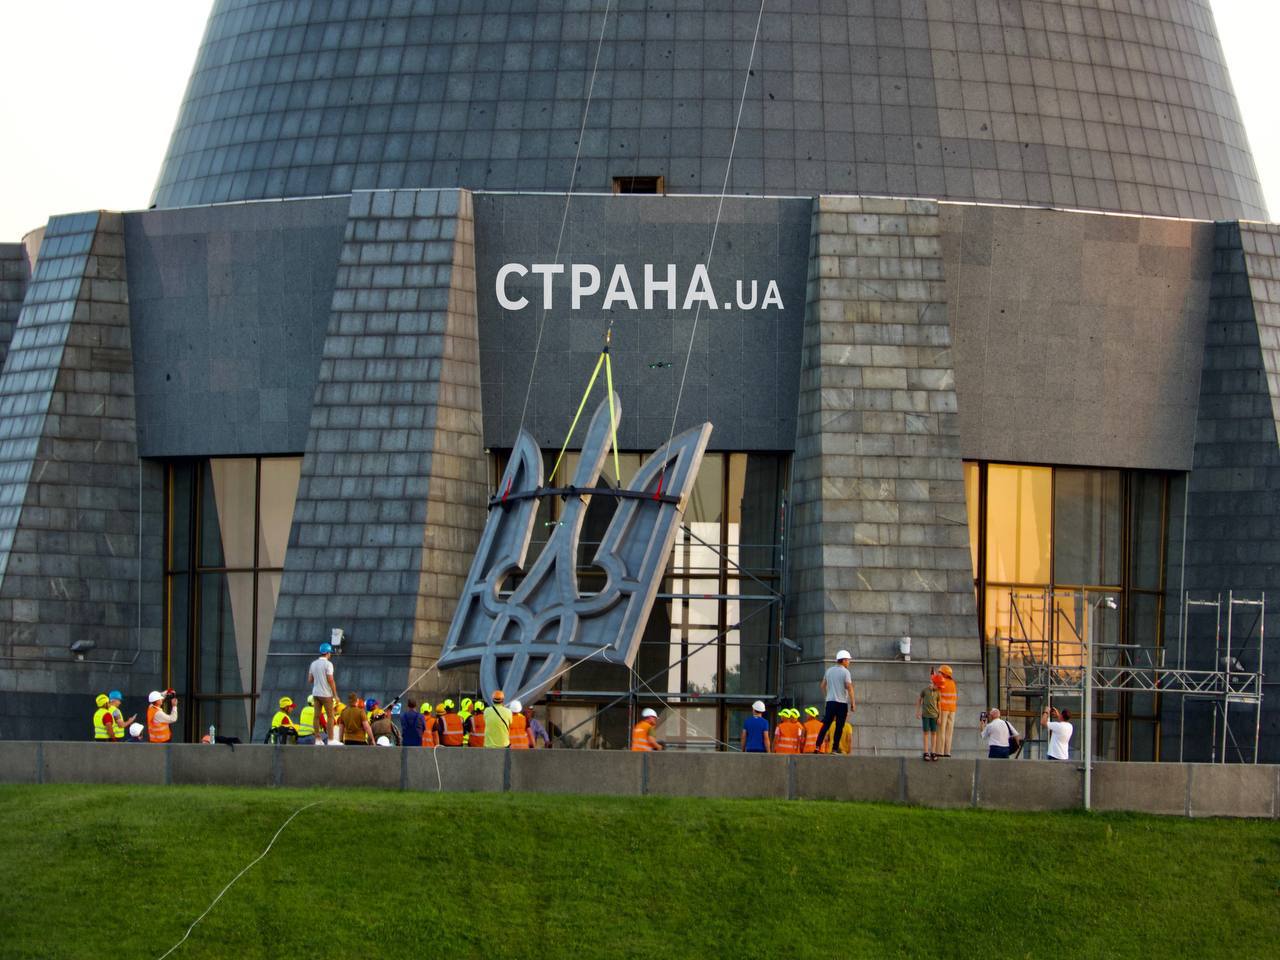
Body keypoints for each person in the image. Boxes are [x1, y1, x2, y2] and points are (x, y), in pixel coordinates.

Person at [814, 650, 856, 754]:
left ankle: (817, 746)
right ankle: (834, 749)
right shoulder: (845, 672)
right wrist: (853, 703)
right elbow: (850, 688)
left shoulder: (829, 671)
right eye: (848, 660)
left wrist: (827, 696)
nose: (849, 662)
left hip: (830, 702)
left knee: (826, 725)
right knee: (839, 726)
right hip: (841, 703)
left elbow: (822, 685)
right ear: (844, 660)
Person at [306, 642, 339, 745]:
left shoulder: (313, 664)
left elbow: (310, 680)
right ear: (328, 653)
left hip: (316, 693)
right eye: (330, 653)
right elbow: (330, 680)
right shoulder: (328, 664)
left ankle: (317, 739)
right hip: (326, 694)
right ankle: (331, 739)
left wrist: (318, 678)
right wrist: (335, 695)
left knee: (316, 716)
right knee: (330, 716)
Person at [916, 674, 941, 760]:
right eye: (935, 684)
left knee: (934, 733)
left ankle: (933, 752)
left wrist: (939, 717)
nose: (936, 686)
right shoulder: (924, 691)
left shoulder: (938, 692)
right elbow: (919, 700)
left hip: (934, 716)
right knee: (926, 733)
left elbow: (939, 705)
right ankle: (926, 752)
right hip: (925, 715)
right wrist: (918, 712)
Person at [935, 664, 958, 757]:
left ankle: (940, 751)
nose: (939, 673)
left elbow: (935, 690)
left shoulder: (942, 681)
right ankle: (947, 752)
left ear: (944, 673)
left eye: (940, 672)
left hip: (943, 709)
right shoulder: (953, 683)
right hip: (952, 710)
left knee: (941, 731)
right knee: (949, 732)